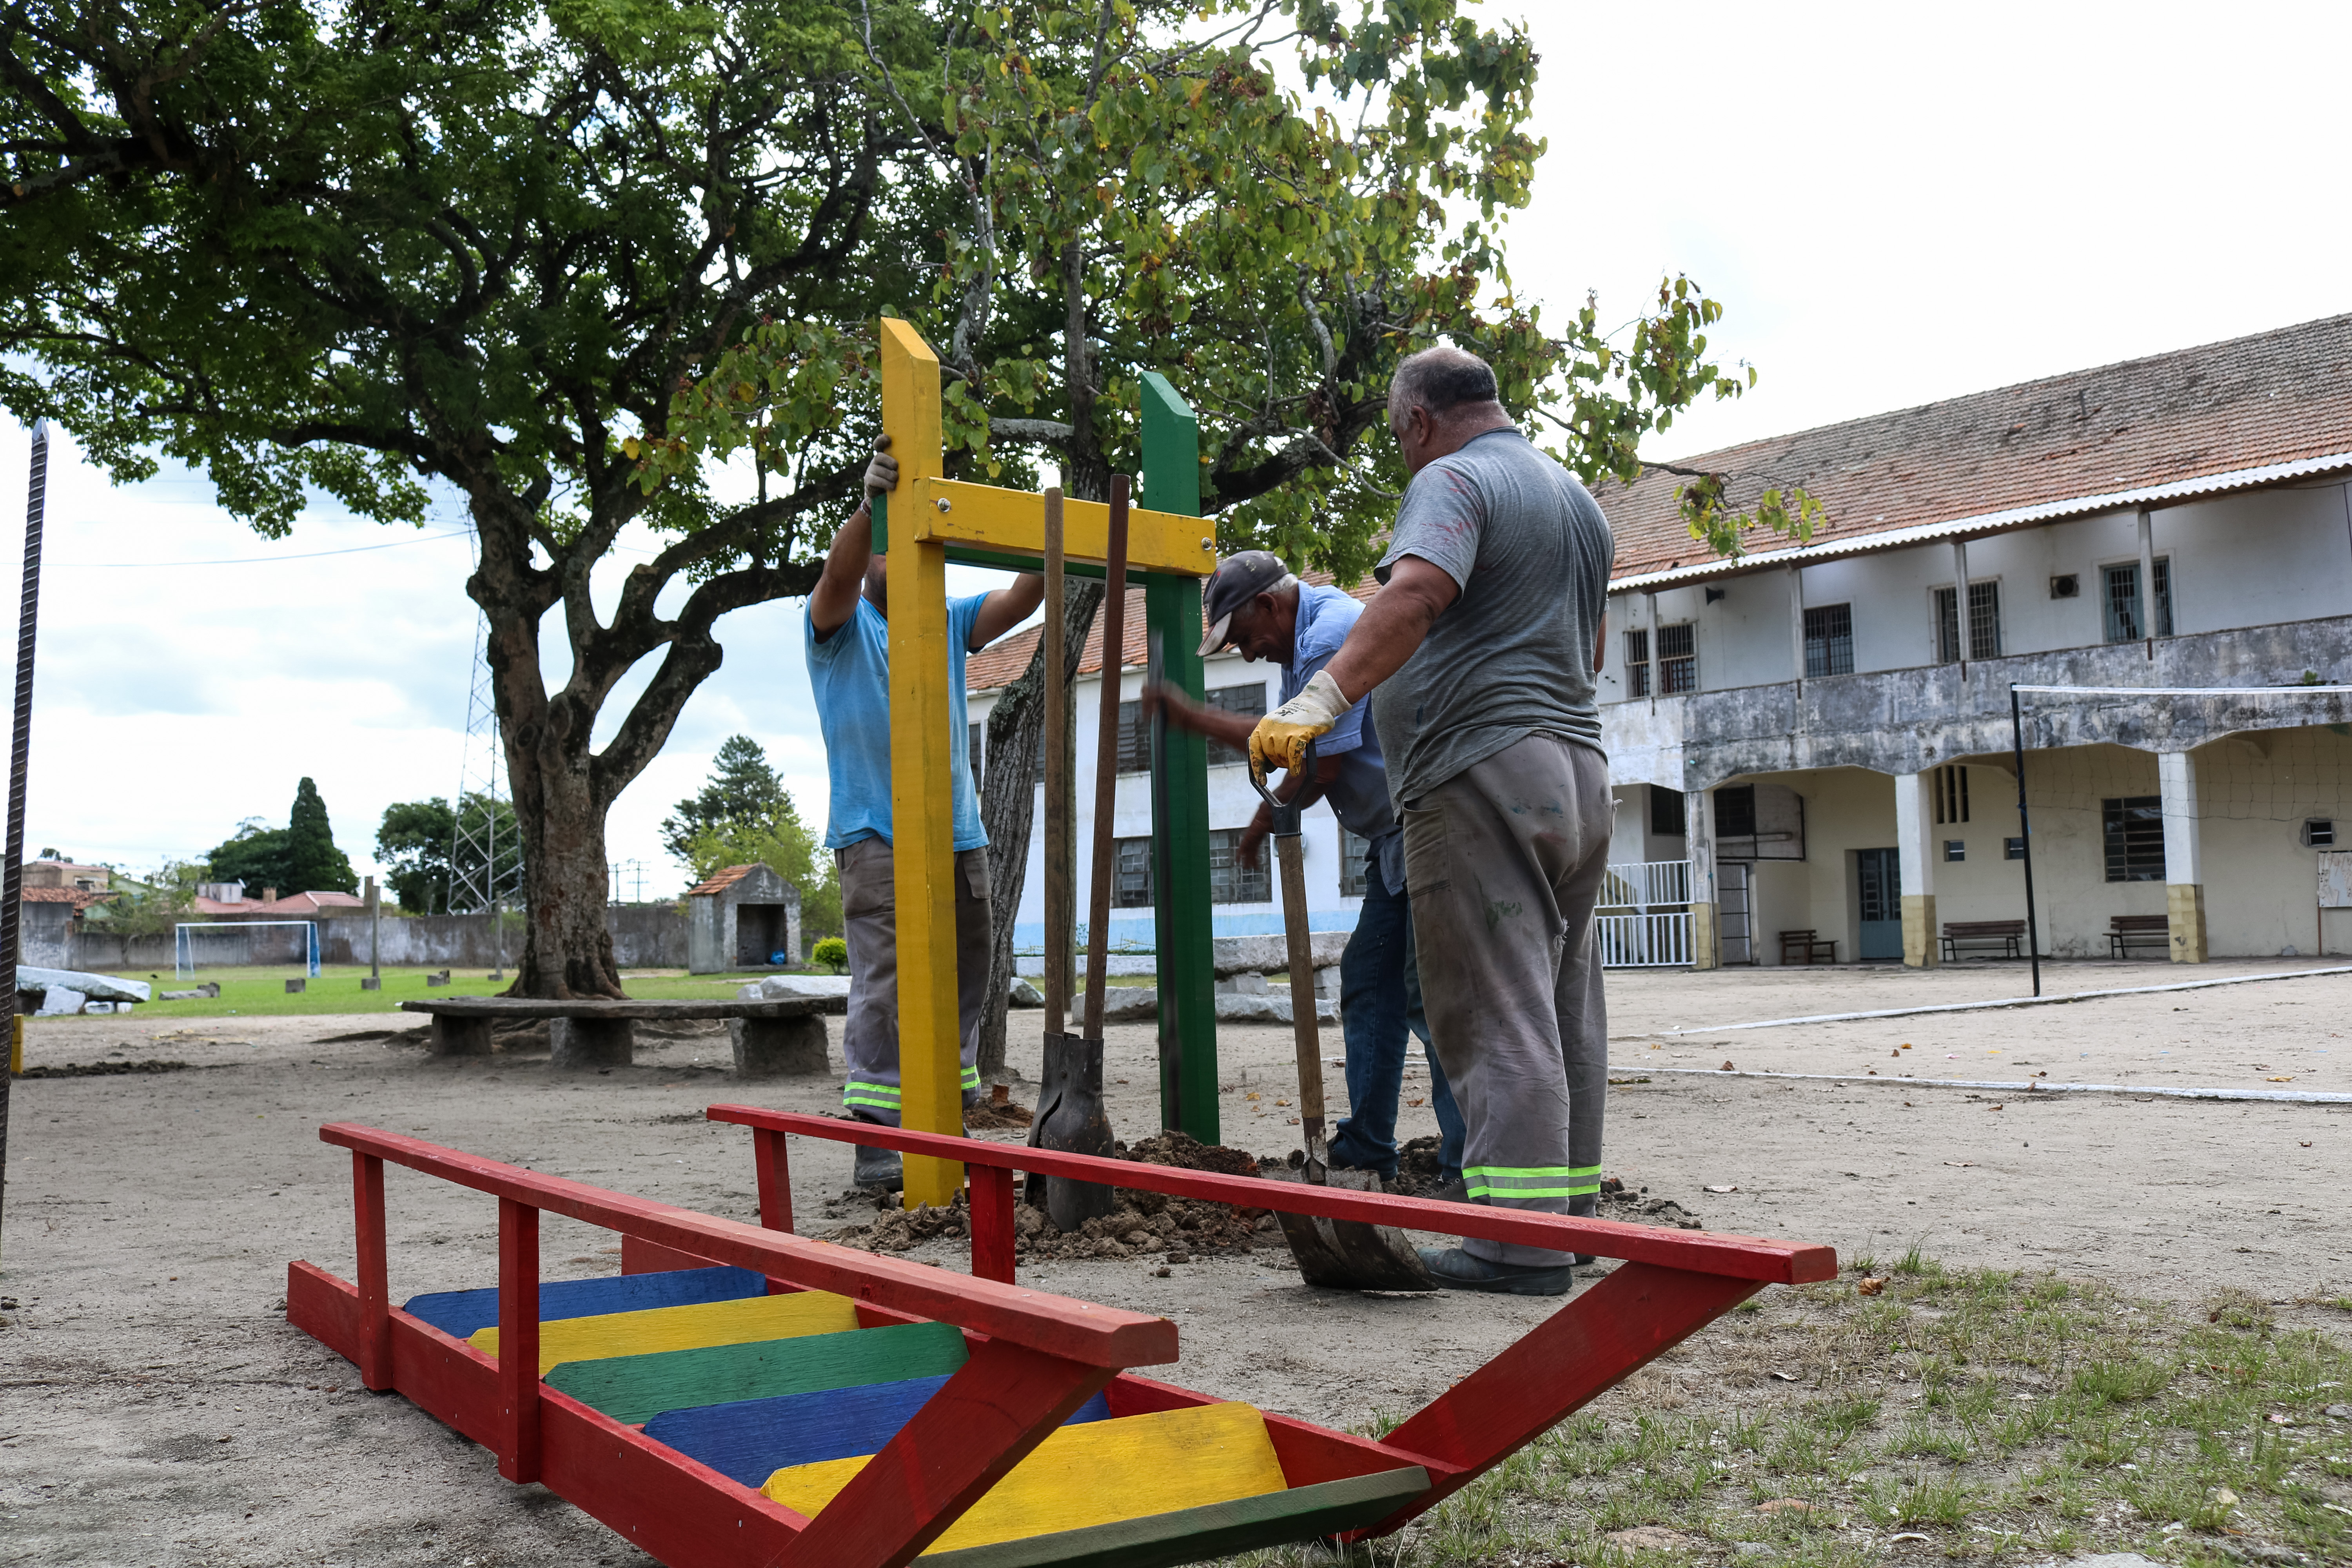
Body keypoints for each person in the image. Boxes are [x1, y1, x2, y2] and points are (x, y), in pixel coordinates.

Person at [1245, 346, 1615, 1296]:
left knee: (1496, 1008)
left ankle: (1514, 1246)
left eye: (1397, 437)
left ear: (1416, 421)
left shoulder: (1454, 479)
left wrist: (1315, 702)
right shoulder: (1577, 501)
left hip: (1480, 769)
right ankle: (1563, 1222)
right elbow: (1592, 646)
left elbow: (1415, 594)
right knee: (1562, 1001)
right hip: (1575, 768)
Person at [1145, 551, 1466, 1195]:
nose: (1247, 654)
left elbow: (1319, 768)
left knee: (1428, 995)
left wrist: (1196, 720)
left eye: (1243, 637)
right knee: (1371, 982)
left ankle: (1468, 1165)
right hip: (1393, 837)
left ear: (1269, 605)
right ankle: (1368, 1147)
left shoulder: (1327, 637)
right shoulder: (1303, 640)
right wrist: (1267, 821)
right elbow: (1307, 757)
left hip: (1429, 824)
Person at [807, 436, 1045, 1189]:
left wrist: (1047, 524)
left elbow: (1022, 598)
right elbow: (838, 575)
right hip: (876, 834)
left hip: (956, 833)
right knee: (887, 981)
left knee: (968, 970)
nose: (898, 557)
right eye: (888, 545)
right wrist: (868, 510)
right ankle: (878, 1137)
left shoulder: (940, 619)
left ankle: (945, 1117)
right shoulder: (840, 630)